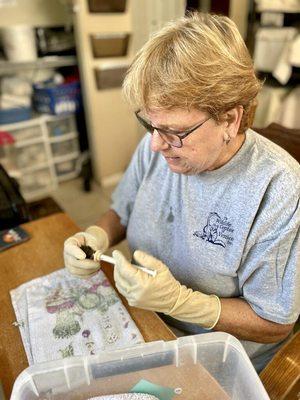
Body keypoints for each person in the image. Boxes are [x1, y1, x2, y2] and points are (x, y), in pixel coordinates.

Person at [64, 12, 300, 372]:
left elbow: (274, 323)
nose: (156, 145)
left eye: (175, 131)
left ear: (230, 119)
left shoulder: (279, 189)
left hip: (221, 357)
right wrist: (95, 236)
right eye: (149, 124)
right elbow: (122, 210)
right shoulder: (156, 145)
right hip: (146, 322)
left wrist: (183, 303)